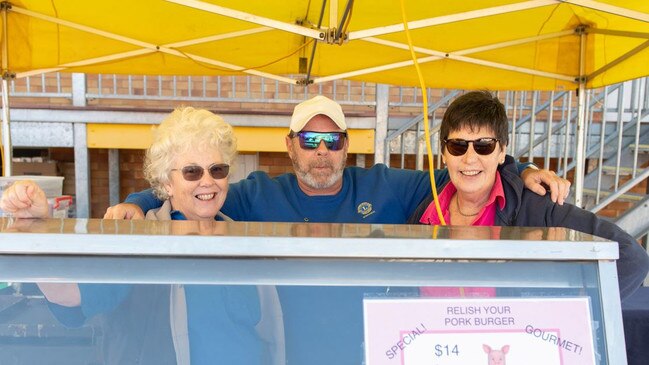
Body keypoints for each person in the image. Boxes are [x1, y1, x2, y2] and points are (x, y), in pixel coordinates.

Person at [108, 95, 572, 365]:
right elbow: (194, 189)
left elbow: (466, 166)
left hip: (376, 352)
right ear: (290, 146)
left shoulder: (388, 185)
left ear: (347, 145)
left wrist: (520, 169)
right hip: (289, 355)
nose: (321, 151)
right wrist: (135, 202)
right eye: (310, 140)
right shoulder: (257, 193)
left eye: (332, 140)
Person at [0, 107, 282, 365]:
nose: (207, 181)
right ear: (166, 184)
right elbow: (66, 293)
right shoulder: (138, 241)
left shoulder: (243, 240)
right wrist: (36, 224)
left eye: (217, 170)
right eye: (192, 172)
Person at [407, 90, 649, 301]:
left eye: (484, 145)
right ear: (444, 154)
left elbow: (630, 257)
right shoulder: (424, 213)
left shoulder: (537, 207)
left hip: (510, 348)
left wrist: (573, 312)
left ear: (502, 152)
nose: (470, 158)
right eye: (458, 146)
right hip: (439, 348)